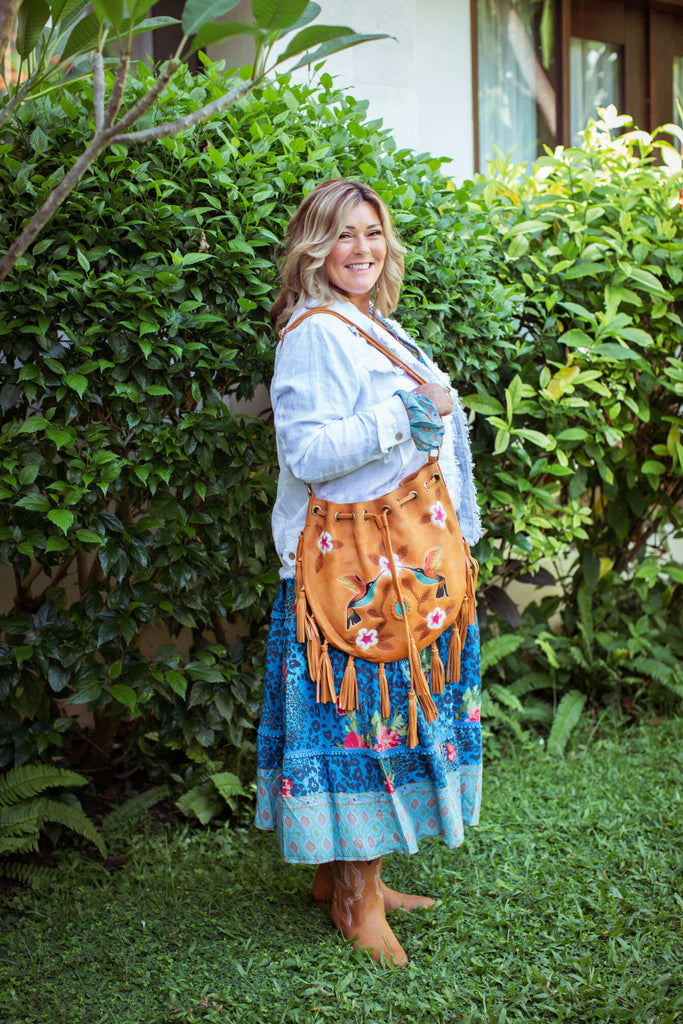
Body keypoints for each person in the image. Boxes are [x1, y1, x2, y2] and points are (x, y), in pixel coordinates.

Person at [255, 178, 483, 967]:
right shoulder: (315, 332)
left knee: (365, 719)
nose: (361, 248)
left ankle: (346, 882)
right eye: (342, 234)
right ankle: (356, 899)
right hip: (355, 572)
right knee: (366, 725)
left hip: (396, 563)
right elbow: (307, 454)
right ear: (313, 248)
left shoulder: (370, 325)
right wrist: (399, 417)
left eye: (372, 232)